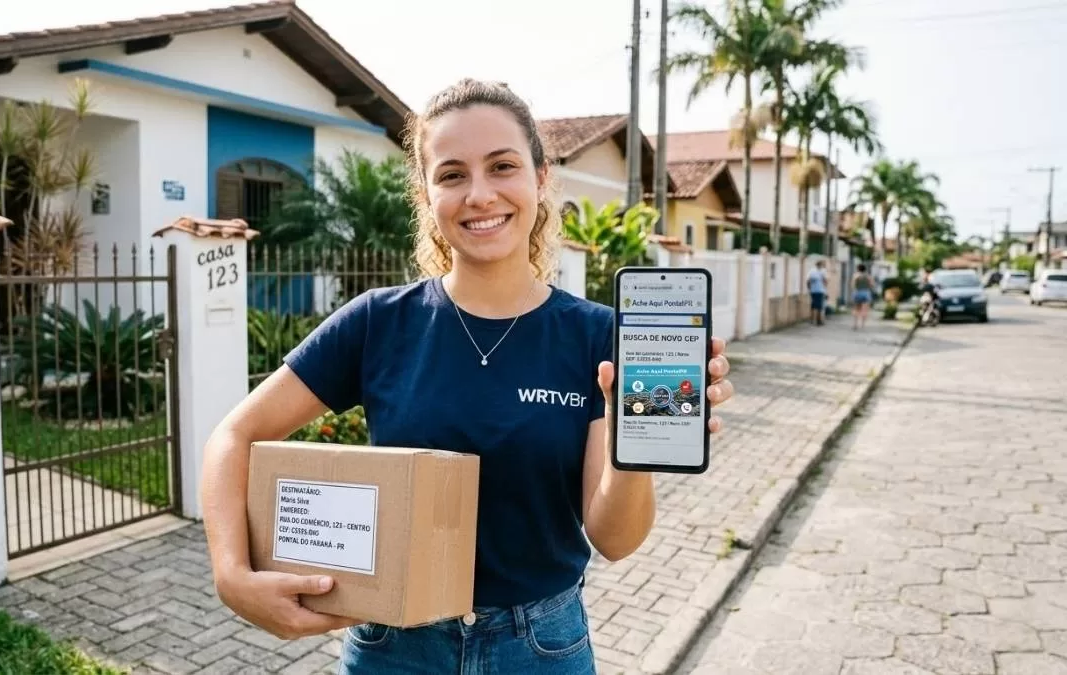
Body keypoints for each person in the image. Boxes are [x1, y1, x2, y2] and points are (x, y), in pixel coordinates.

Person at [198, 78, 735, 675]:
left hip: (541, 649)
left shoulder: (598, 338)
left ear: (540, 179)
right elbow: (232, 437)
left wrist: (634, 453)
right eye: (452, 174)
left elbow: (614, 538)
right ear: (427, 196)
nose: (480, 194)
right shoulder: (378, 322)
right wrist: (231, 574)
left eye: (502, 166)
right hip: (392, 646)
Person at [850, 263, 875, 330]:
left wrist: (855, 290)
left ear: (858, 269)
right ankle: (862, 325)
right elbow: (872, 285)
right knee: (865, 310)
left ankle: (855, 324)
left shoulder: (856, 275)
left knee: (856, 309)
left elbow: (852, 285)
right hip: (866, 293)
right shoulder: (868, 276)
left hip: (857, 292)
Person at [806, 260, 828, 325]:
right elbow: (825, 280)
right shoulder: (823, 271)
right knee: (819, 306)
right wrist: (825, 288)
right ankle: (818, 321)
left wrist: (809, 288)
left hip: (813, 291)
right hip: (820, 291)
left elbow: (808, 280)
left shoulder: (811, 271)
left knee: (813, 305)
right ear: (820, 265)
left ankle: (812, 319)